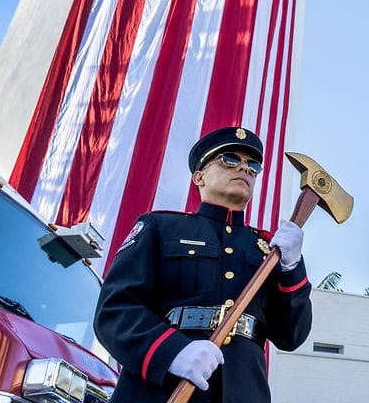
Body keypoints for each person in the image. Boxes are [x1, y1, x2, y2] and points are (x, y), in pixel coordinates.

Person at [94, 126, 312, 402]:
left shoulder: (268, 252)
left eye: (252, 165)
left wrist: (293, 267)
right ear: (199, 176)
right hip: (163, 387)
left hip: (244, 390)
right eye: (230, 159)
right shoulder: (160, 227)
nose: (245, 169)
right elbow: (115, 309)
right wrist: (171, 351)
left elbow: (292, 335)